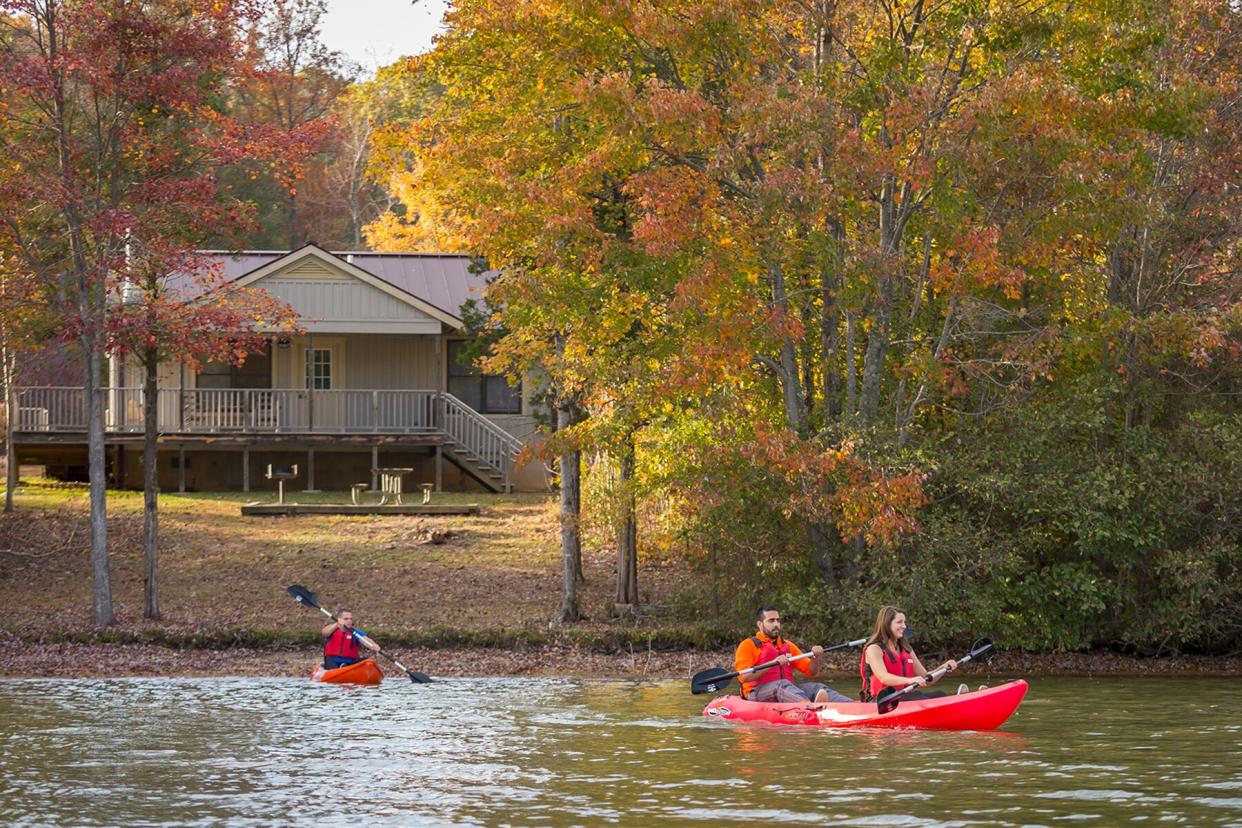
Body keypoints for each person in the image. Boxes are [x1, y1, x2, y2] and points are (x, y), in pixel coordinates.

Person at [734, 606, 852, 704]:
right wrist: (772, 663)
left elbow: (812, 672)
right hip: (756, 693)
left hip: (785, 691)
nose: (776, 624)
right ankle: (809, 708)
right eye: (771, 621)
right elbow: (745, 677)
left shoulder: (788, 645)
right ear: (760, 624)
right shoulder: (748, 645)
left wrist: (816, 658)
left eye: (778, 620)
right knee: (781, 685)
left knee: (816, 687)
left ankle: (853, 706)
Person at [860, 606, 957, 702]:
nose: (904, 626)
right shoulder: (874, 648)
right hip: (882, 701)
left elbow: (926, 678)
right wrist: (909, 680)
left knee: (940, 695)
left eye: (904, 622)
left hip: (906, 697)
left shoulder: (906, 648)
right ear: (887, 624)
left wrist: (944, 668)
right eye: (899, 622)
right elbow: (883, 677)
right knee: (919, 698)